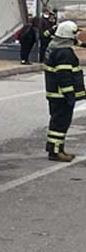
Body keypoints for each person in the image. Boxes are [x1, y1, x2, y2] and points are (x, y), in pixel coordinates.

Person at [44, 20, 85, 161]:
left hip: (55, 94)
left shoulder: (54, 47)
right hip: (61, 96)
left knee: (57, 122)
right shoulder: (64, 53)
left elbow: (76, 43)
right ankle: (55, 152)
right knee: (60, 123)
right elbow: (64, 76)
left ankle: (55, 148)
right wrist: (70, 95)